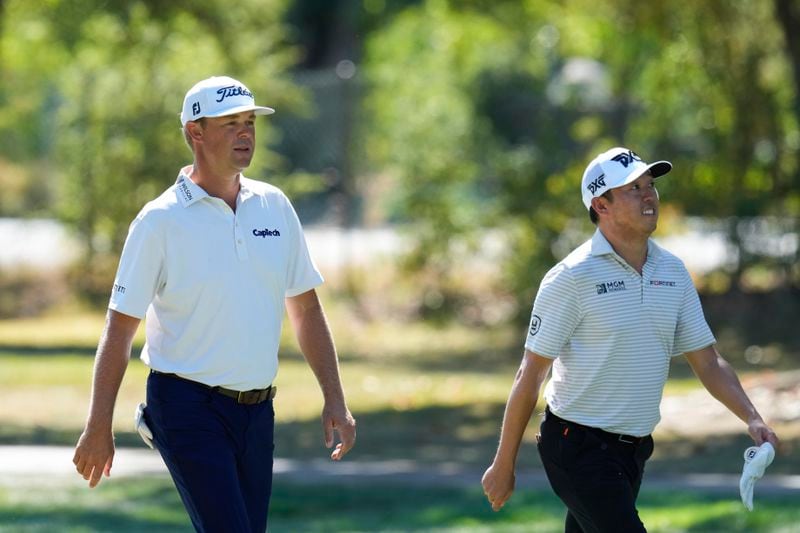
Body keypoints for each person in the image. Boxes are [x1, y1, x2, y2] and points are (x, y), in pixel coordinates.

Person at [72, 75, 356, 532]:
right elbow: (119, 330)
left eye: (249, 123)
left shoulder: (275, 206)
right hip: (187, 407)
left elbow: (306, 309)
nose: (245, 134)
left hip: (258, 411)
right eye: (230, 124)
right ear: (195, 133)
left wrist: (335, 399)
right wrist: (98, 425)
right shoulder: (159, 221)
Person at [481, 147, 779, 532]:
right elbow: (531, 374)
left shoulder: (672, 271)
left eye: (650, 185)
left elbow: (708, 361)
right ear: (601, 205)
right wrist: (504, 463)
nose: (648, 195)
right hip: (576, 447)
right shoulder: (571, 278)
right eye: (633, 188)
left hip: (634, 451)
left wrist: (753, 419)